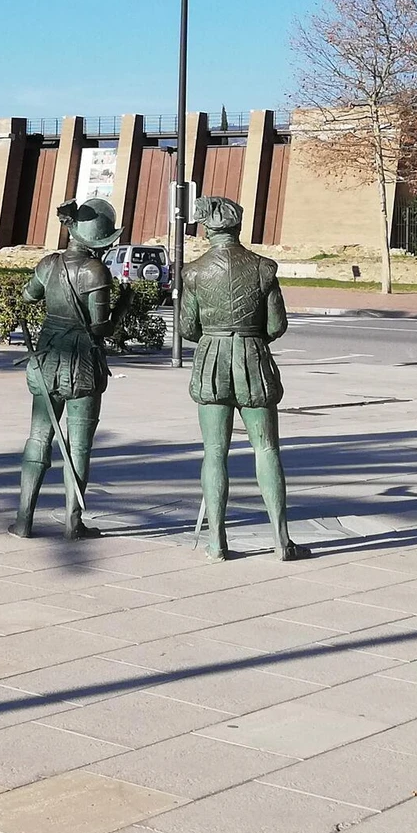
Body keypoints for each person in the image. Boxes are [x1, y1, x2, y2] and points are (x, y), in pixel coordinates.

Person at [178, 195, 308, 561]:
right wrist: (251, 338)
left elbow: (187, 328)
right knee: (266, 449)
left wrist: (216, 335)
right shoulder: (264, 268)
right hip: (253, 359)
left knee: (214, 452)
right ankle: (282, 540)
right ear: (238, 227)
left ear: (208, 230)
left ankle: (217, 542)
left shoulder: (194, 272)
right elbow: (277, 325)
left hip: (212, 360)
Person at [15, 198, 116, 539]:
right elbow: (100, 327)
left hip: (47, 360)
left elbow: (28, 296)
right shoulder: (95, 271)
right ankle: (74, 523)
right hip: (82, 364)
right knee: (79, 447)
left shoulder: (49, 264)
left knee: (38, 437)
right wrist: (121, 311)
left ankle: (23, 519)